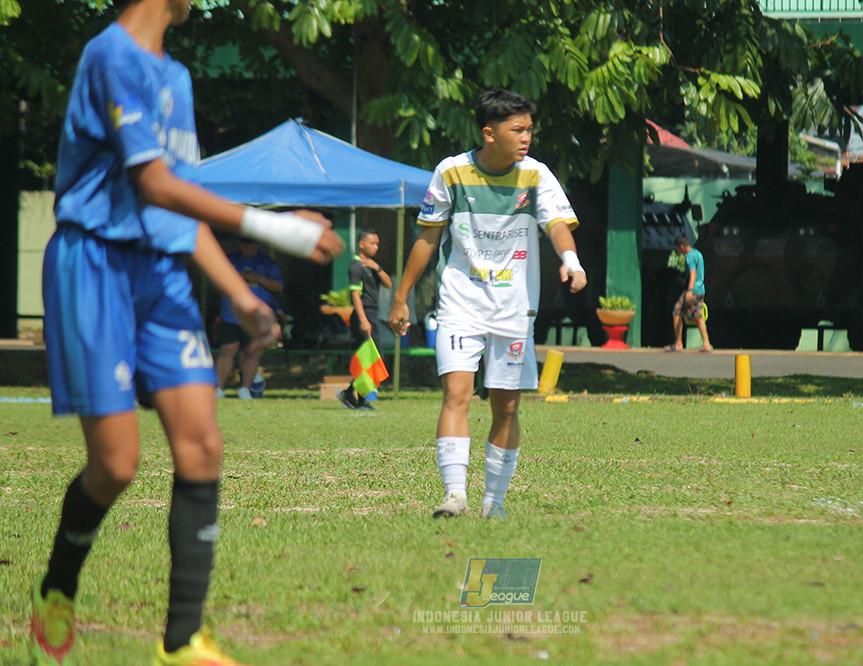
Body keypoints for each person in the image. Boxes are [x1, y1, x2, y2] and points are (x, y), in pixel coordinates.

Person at [30, 0, 345, 664]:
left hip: (161, 274)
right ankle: (57, 586)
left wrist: (241, 297)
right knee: (116, 465)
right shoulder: (109, 57)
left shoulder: (176, 78)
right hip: (94, 264)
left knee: (202, 445)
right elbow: (152, 183)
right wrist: (279, 227)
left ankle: (182, 641)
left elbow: (180, 200)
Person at [389, 88, 587, 520]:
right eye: (517, 129)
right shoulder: (451, 173)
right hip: (460, 304)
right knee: (456, 393)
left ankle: (493, 503)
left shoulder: (536, 175)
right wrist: (401, 296)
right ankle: (454, 495)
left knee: (507, 406)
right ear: (489, 133)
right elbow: (427, 238)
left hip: (515, 311)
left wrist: (570, 261)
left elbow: (556, 224)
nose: (526, 137)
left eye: (529, 129)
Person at [215, 237, 284, 400]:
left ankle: (245, 389)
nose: (249, 251)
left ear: (257, 246)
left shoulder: (267, 262)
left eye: (253, 247)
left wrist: (258, 278)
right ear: (241, 245)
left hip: (256, 316)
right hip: (230, 314)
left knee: (252, 352)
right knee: (227, 350)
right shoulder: (230, 259)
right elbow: (217, 277)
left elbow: (278, 286)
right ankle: (218, 389)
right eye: (246, 247)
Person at [338, 229, 392, 411]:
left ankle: (351, 394)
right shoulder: (355, 267)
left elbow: (388, 283)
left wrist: (377, 267)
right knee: (371, 358)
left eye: (377, 244)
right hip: (364, 314)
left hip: (372, 314)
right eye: (372, 243)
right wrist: (363, 320)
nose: (376, 247)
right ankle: (359, 399)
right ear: (361, 244)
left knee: (372, 358)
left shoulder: (371, 266)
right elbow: (355, 296)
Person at [667, 236, 712, 352]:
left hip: (693, 290)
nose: (678, 252)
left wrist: (689, 290)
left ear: (681, 247)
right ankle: (706, 343)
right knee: (698, 316)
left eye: (678, 250)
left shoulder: (690, 257)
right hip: (700, 289)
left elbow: (693, 274)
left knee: (677, 311)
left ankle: (678, 344)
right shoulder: (698, 254)